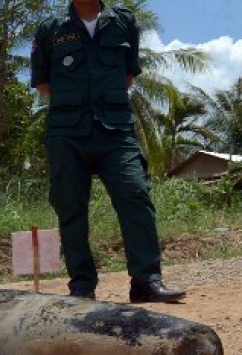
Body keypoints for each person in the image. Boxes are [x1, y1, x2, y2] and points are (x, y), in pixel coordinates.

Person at [30, 0, 185, 303]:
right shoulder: (51, 29)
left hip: (115, 129)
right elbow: (43, 83)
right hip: (67, 132)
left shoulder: (123, 22)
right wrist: (77, 105)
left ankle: (146, 281)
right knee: (71, 207)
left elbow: (129, 75)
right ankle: (82, 286)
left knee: (136, 195)